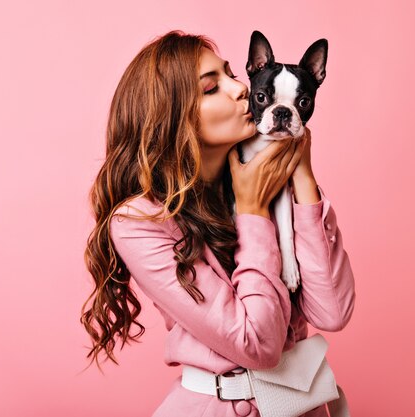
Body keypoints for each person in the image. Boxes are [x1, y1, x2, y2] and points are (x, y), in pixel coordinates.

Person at [81, 30, 356, 417]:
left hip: (299, 404)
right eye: (212, 88)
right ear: (172, 116)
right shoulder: (141, 222)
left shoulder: (264, 177)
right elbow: (256, 343)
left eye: (232, 75)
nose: (240, 89)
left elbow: (333, 313)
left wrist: (303, 176)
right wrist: (251, 209)